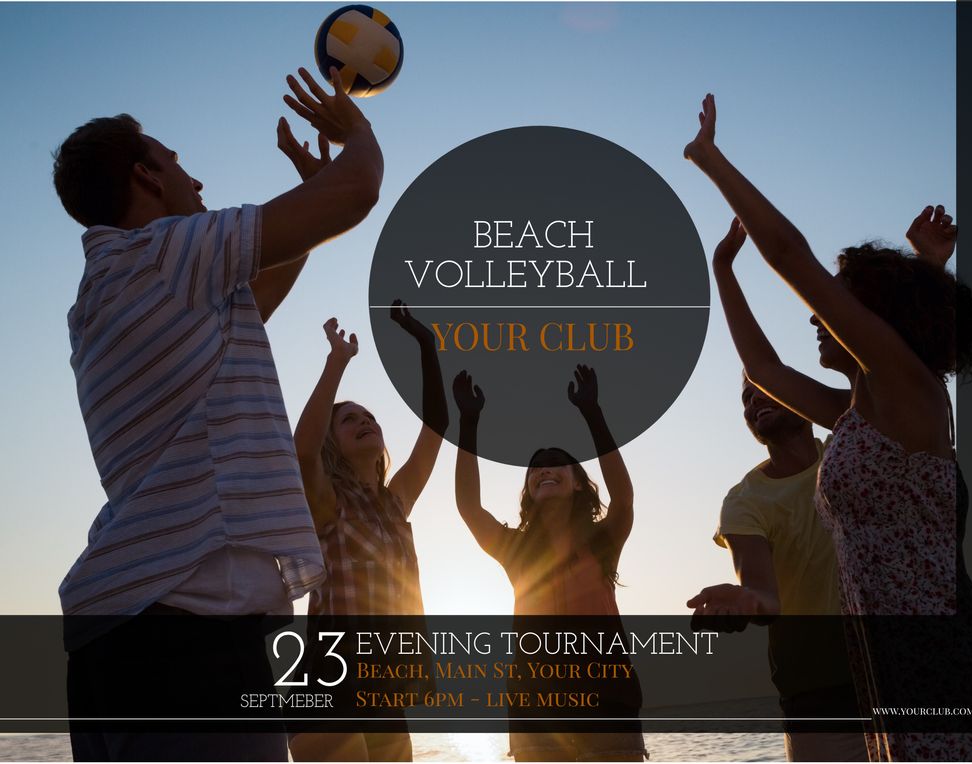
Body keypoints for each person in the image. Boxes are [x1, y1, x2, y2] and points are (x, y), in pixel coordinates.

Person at [684, 93, 972, 760]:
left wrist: (711, 160)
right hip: (892, 673)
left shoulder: (911, 396)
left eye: (839, 300)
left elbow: (792, 256)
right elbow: (764, 368)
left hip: (950, 665)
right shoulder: (864, 417)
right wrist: (722, 271)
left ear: (874, 319)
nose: (818, 312)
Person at [55, 66, 382, 761]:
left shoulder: (105, 296)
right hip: (191, 631)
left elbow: (254, 299)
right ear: (146, 175)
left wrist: (303, 194)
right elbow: (358, 191)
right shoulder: (165, 254)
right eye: (178, 164)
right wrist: (354, 132)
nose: (196, 183)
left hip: (113, 641)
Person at [453, 365, 646, 762]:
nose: (544, 467)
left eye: (557, 462)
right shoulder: (516, 550)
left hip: (609, 699)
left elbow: (623, 497)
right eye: (536, 466)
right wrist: (468, 423)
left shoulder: (603, 540)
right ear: (528, 489)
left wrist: (593, 413)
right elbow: (469, 507)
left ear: (578, 483)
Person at [288, 309, 448, 762]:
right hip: (329, 680)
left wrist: (426, 346)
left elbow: (437, 427)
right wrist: (337, 363)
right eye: (349, 419)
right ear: (332, 446)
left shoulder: (394, 503)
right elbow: (302, 452)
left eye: (370, 415)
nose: (365, 420)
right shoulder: (328, 501)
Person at [688, 374, 866, 761]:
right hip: (818, 692)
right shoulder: (744, 501)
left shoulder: (850, 453)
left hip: (899, 672)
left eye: (766, 389)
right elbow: (764, 594)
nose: (754, 402)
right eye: (746, 399)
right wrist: (745, 601)